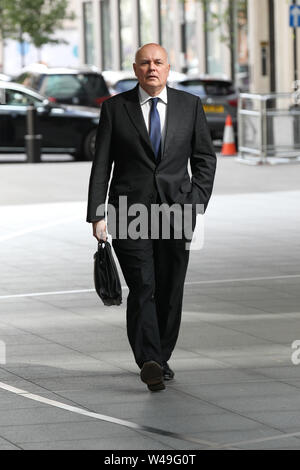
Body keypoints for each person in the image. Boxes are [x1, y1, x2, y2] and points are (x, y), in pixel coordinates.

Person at [87, 43, 216, 392]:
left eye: (158, 62)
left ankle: (162, 355)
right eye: (145, 63)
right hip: (129, 211)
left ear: (169, 68)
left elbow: (205, 159)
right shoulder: (116, 109)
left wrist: (196, 201)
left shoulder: (190, 106)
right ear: (135, 69)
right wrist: (97, 214)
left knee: (170, 288)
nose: (152, 68)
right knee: (143, 286)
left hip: (177, 211)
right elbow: (102, 165)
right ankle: (150, 361)